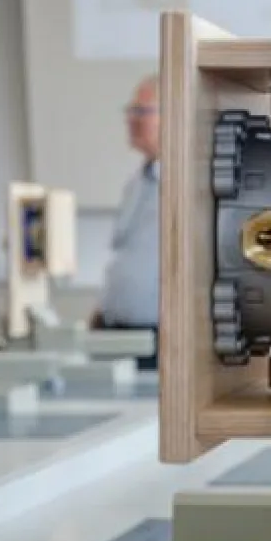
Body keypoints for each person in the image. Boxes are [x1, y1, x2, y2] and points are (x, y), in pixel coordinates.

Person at [91, 74, 160, 370]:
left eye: (142, 111)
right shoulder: (138, 181)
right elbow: (127, 253)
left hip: (157, 339)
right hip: (114, 331)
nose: (132, 119)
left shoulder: (189, 185)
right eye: (130, 111)